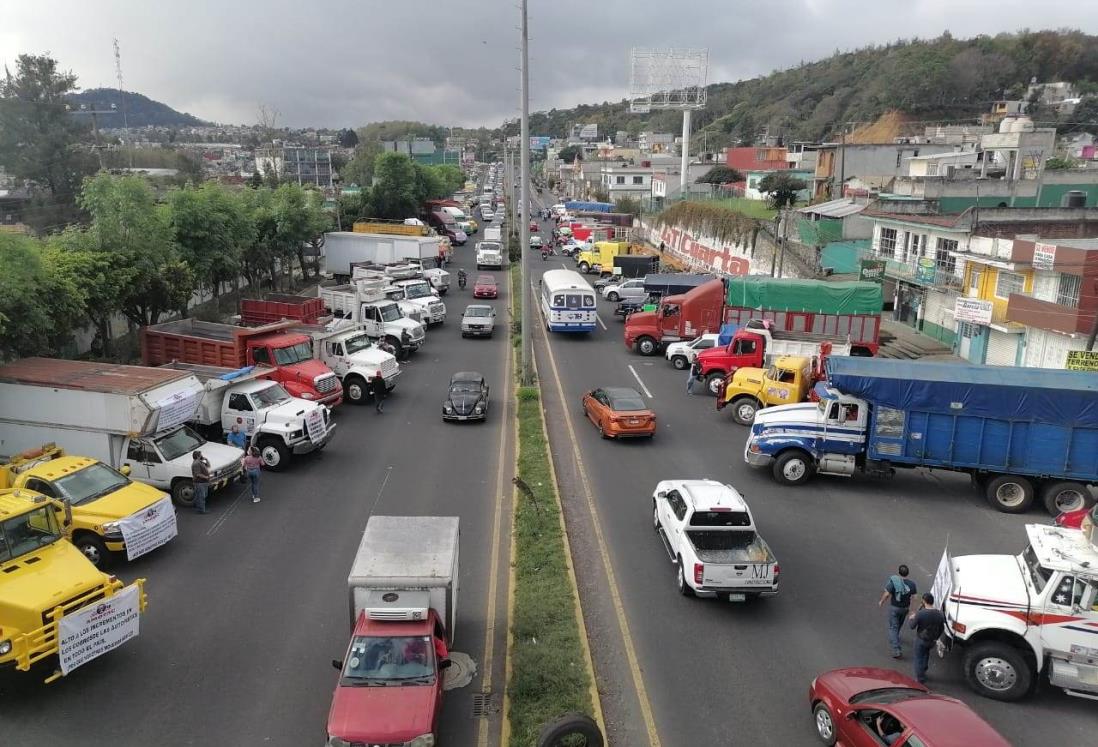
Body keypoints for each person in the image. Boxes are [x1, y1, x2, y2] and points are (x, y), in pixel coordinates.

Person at [878, 564, 916, 658]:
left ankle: (896, 649)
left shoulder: (894, 582)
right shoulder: (912, 584)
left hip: (894, 608)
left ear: (899, 572)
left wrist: (881, 601)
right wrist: (912, 610)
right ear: (908, 573)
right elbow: (914, 597)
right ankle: (895, 637)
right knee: (899, 625)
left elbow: (887, 594)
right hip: (905, 609)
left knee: (893, 627)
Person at [909, 593, 945, 684]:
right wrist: (936, 638)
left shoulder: (921, 614)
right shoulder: (940, 614)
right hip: (932, 640)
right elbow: (942, 628)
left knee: (918, 658)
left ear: (924, 601)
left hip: (921, 639)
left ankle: (920, 679)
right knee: (926, 654)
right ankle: (924, 670)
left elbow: (912, 626)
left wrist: (911, 618)